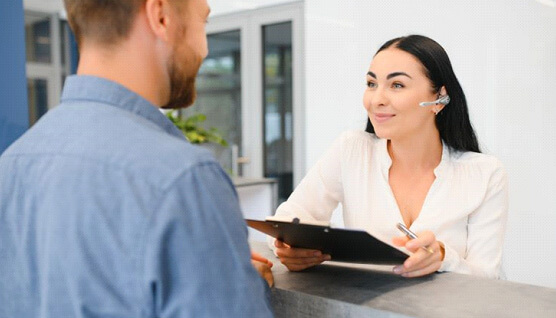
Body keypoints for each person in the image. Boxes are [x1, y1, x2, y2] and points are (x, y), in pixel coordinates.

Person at [0, 0, 274, 317]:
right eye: (204, 23)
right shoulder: (183, 179)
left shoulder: (11, 165)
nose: (205, 49)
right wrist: (240, 288)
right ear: (160, 15)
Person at [271, 35, 508, 279]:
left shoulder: (485, 173)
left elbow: (487, 279)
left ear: (439, 99)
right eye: (371, 84)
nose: (377, 100)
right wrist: (289, 248)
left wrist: (444, 257)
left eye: (397, 85)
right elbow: (287, 218)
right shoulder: (352, 150)